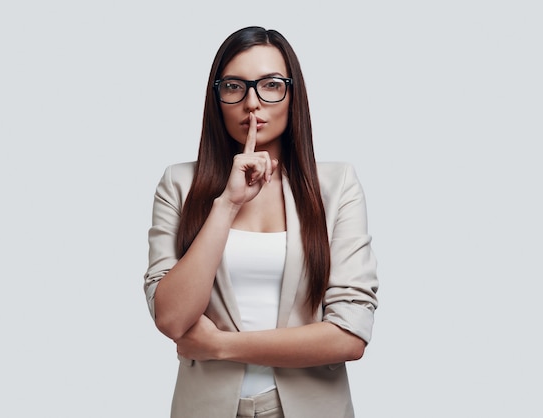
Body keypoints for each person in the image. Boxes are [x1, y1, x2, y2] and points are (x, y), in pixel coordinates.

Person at [144, 26, 379, 418]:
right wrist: (227, 204)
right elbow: (171, 317)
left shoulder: (337, 185)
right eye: (234, 86)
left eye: (271, 85)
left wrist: (220, 346)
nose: (252, 103)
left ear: (293, 93)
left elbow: (349, 336)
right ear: (216, 97)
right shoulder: (179, 183)